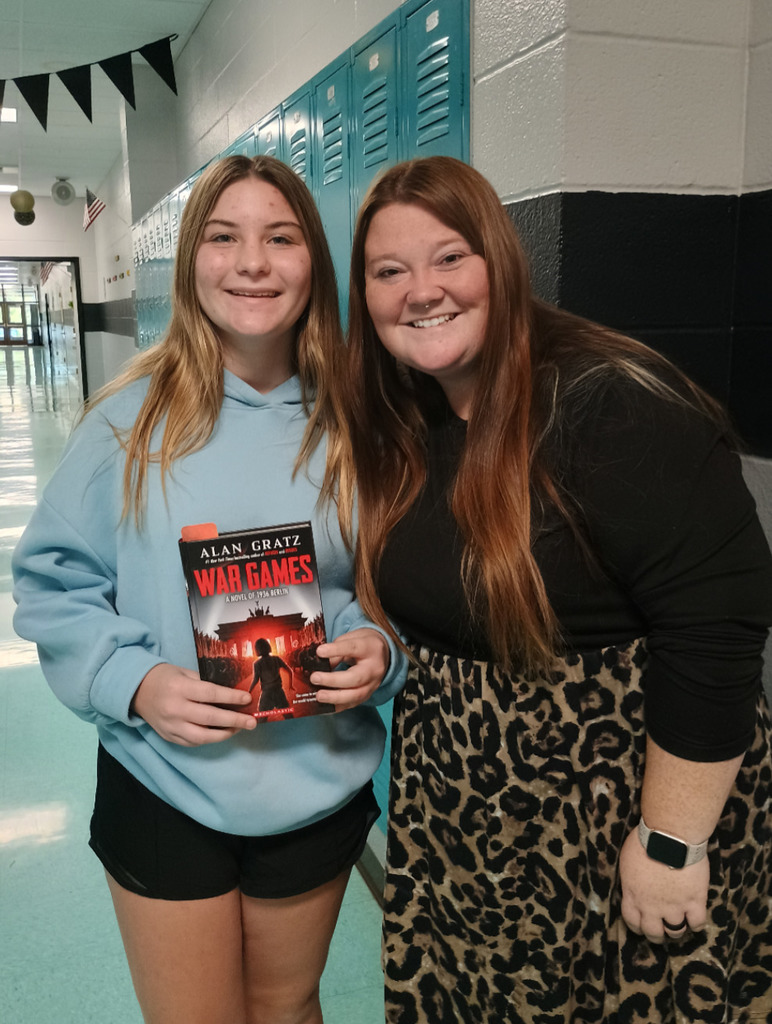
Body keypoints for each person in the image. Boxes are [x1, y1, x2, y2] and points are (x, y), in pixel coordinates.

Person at [340, 155, 772, 1023]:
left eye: (450, 257)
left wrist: (671, 842)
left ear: (500, 261)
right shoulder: (408, 417)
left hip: (615, 809)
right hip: (465, 819)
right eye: (390, 271)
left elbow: (716, 624)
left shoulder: (608, 403)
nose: (422, 291)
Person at [12, 154, 405, 1024]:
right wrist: (133, 682)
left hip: (313, 782)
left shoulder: (354, 423)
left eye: (281, 238)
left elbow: (381, 586)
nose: (253, 263)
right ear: (191, 259)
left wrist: (377, 647)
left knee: (288, 1007)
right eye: (224, 238)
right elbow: (52, 582)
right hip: (163, 782)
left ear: (314, 262)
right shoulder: (129, 419)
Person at [250, 637, 292, 711]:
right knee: (287, 714)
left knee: (262, 716)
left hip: (266, 694)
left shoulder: (257, 664)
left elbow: (255, 680)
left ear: (257, 650)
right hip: (279, 692)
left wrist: (249, 691)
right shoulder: (276, 659)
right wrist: (290, 685)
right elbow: (290, 671)